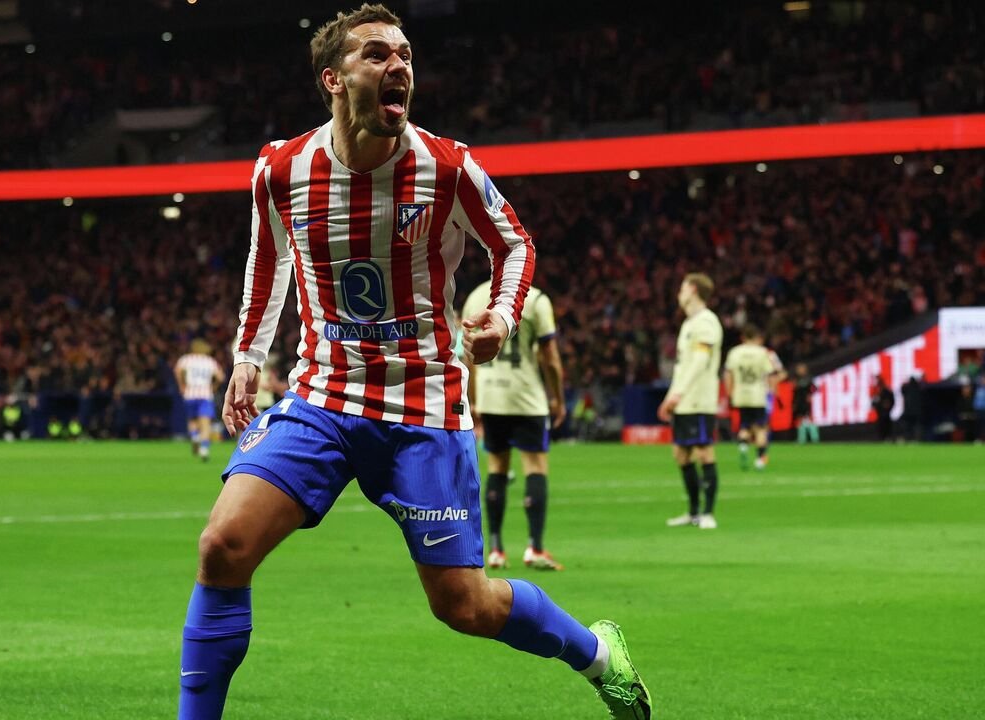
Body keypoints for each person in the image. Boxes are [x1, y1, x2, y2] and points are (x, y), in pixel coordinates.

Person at [178, 6, 651, 720]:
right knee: (223, 545)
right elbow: (267, 258)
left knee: (463, 605)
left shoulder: (448, 166)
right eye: (376, 54)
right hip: (322, 396)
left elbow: (515, 245)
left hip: (423, 407)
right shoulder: (280, 167)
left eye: (404, 55)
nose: (398, 65)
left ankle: (595, 653)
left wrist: (501, 317)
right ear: (334, 79)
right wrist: (248, 355)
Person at [462, 280, 567, 571]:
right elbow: (550, 356)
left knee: (497, 467)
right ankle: (535, 547)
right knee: (535, 466)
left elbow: (467, 355)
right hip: (526, 396)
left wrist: (473, 399)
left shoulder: (475, 297)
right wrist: (558, 398)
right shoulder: (536, 299)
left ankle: (496, 549)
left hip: (491, 395)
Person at [658, 273, 723, 530]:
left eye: (682, 288)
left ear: (693, 290)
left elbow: (700, 361)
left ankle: (708, 513)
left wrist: (678, 393)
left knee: (704, 452)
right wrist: (670, 397)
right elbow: (683, 367)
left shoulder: (706, 322)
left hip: (699, 399)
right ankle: (693, 512)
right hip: (684, 399)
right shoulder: (689, 324)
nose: (679, 293)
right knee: (681, 454)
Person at [723, 324, 785, 471]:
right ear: (757, 337)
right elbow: (772, 374)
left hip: (740, 395)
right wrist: (774, 392)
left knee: (744, 425)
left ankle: (743, 447)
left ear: (743, 337)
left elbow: (728, 374)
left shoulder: (734, 352)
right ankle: (759, 460)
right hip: (758, 395)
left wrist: (729, 393)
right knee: (761, 428)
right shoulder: (763, 352)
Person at [175, 339, 226, 462]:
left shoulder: (186, 359)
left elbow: (177, 370)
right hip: (205, 395)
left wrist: (182, 385)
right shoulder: (210, 361)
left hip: (189, 394)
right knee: (205, 423)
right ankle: (204, 448)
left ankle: (195, 437)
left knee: (192, 420)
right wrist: (213, 387)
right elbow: (221, 377)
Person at [791, 363, 819, 444]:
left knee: (810, 419)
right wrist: (794, 403)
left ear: (805, 370)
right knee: (799, 419)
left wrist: (810, 394)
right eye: (798, 369)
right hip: (798, 402)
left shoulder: (809, 378)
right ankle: (801, 439)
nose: (799, 370)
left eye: (801, 369)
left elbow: (815, 388)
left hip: (805, 402)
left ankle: (815, 438)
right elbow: (795, 391)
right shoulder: (795, 379)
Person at [872, 375, 895, 441]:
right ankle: (882, 438)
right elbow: (874, 402)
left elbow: (891, 401)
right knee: (881, 426)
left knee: (886, 425)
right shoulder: (877, 392)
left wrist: (888, 407)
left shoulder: (886, 391)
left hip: (885, 413)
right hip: (880, 413)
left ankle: (887, 438)